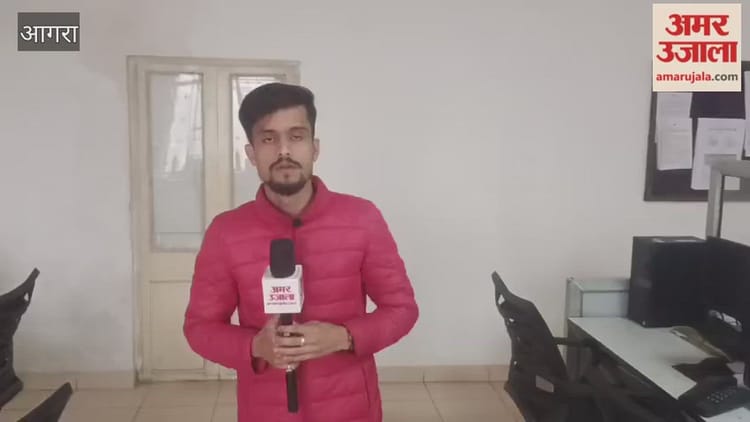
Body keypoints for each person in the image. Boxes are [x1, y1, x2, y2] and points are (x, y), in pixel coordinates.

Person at [183, 82, 419, 422]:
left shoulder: (362, 218)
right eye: (268, 139)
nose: (284, 150)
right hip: (266, 412)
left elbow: (402, 309)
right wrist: (255, 346)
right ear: (251, 153)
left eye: (296, 136)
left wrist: (343, 337)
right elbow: (200, 328)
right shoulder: (226, 232)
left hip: (351, 410)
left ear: (314, 147)